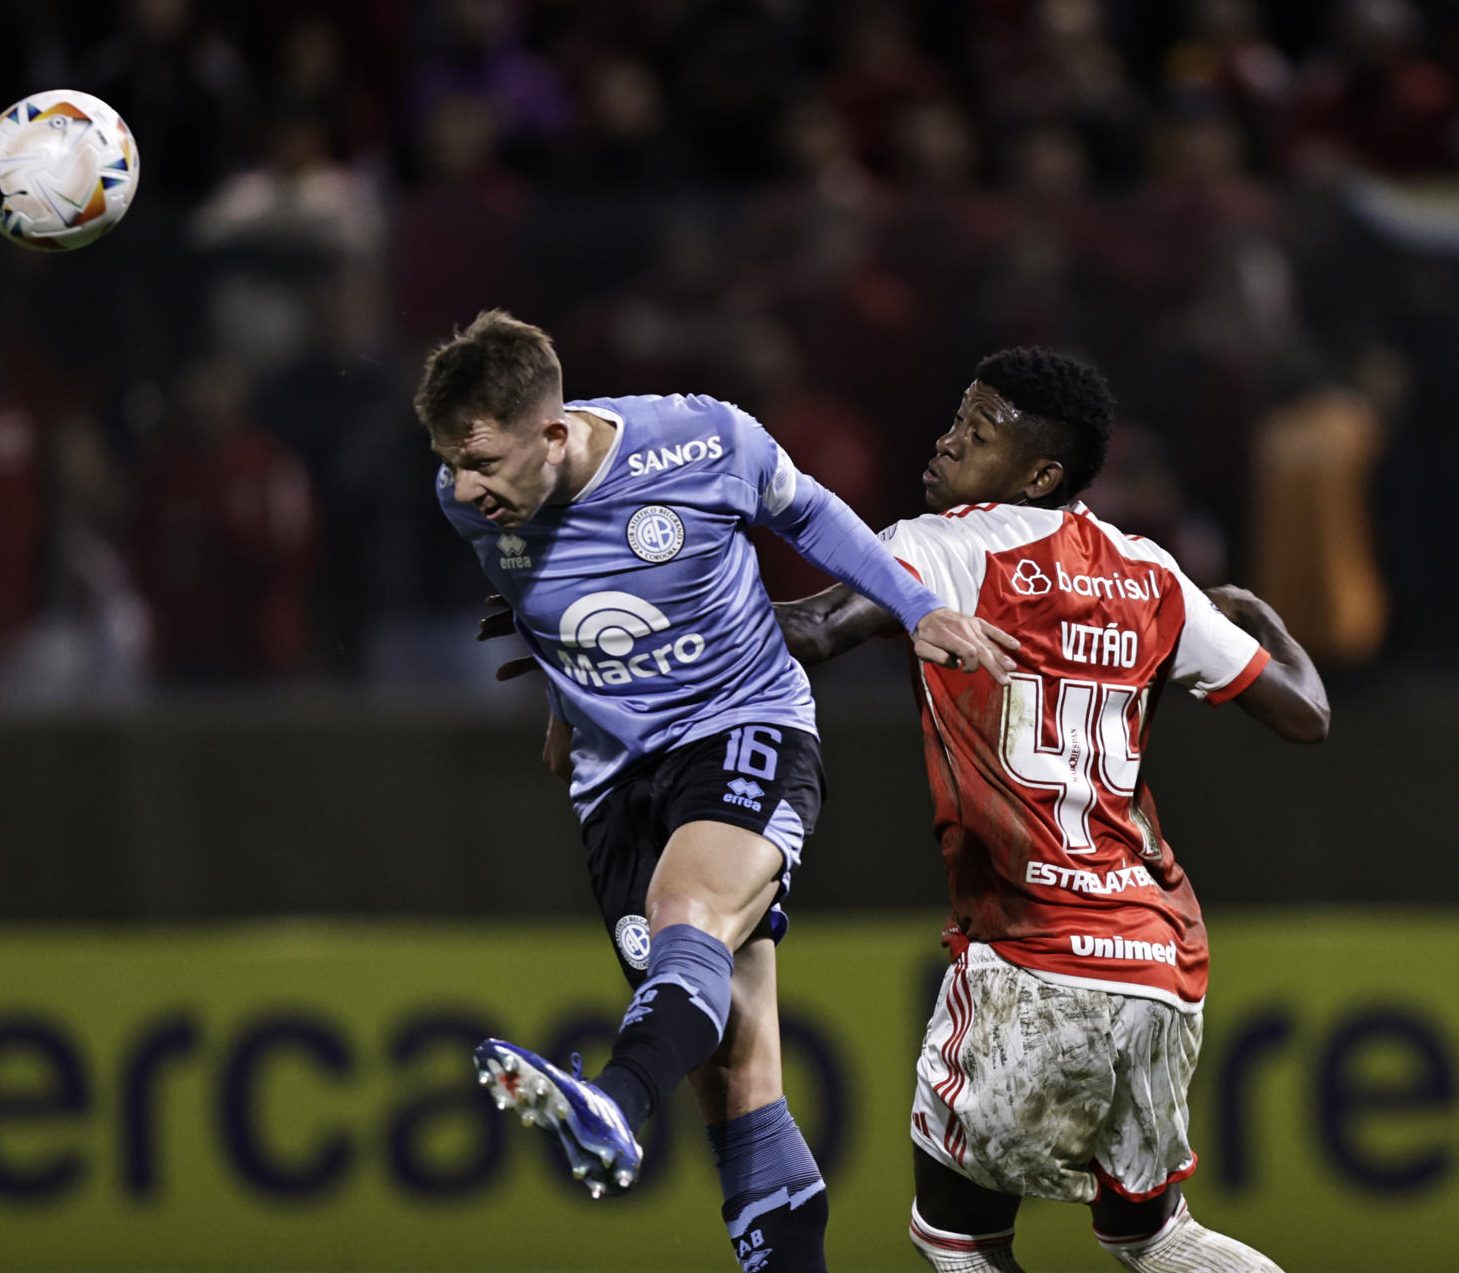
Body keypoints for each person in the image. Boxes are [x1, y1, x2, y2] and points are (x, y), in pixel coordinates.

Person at [416, 309, 1014, 1272]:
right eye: (450, 462)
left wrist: (918, 609)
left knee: (684, 908)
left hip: (743, 727)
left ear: (556, 434)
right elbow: (536, 586)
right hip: (614, 780)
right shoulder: (470, 503)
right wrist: (566, 703)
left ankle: (614, 1097)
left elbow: (811, 513)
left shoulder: (702, 441)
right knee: (736, 1080)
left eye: (480, 460)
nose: (463, 486)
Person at [772, 347, 1329, 1272]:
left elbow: (813, 630)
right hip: (1159, 959)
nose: (947, 441)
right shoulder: (1152, 574)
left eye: (976, 432)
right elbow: (1304, 714)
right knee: (1154, 1235)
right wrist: (1265, 623)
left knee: (957, 1242)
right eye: (955, 419)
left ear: (1039, 473)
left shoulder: (939, 549)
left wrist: (620, 617)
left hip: (1033, 957)